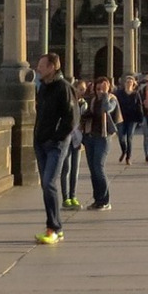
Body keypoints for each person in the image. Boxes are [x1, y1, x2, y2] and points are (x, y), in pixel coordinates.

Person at [32, 53, 73, 245]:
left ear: (52, 67)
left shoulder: (64, 88)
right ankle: (56, 228)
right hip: (41, 142)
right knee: (46, 185)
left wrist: (56, 137)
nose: (38, 68)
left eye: (41, 66)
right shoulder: (43, 88)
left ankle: (54, 228)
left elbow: (71, 118)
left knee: (49, 183)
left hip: (55, 144)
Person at [78, 77, 117, 210]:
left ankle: (105, 200)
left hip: (103, 137)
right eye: (98, 88)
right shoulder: (93, 100)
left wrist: (105, 94)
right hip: (90, 137)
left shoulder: (111, 99)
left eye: (102, 88)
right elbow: (88, 114)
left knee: (98, 167)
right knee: (93, 170)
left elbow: (107, 109)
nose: (100, 91)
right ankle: (97, 199)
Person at [61, 79, 88, 210]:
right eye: (80, 89)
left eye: (84, 89)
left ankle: (73, 196)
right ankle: (65, 198)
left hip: (78, 139)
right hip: (67, 138)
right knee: (66, 168)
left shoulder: (84, 104)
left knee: (75, 169)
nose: (82, 92)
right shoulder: (68, 102)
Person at [115, 75, 143, 166]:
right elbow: (115, 104)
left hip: (132, 118)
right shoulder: (119, 93)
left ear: (133, 84)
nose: (129, 84)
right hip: (121, 118)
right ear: (124, 83)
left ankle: (128, 157)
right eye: (127, 82)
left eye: (130, 82)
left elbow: (139, 106)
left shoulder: (136, 94)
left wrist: (140, 118)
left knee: (129, 138)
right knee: (121, 137)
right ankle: (124, 150)